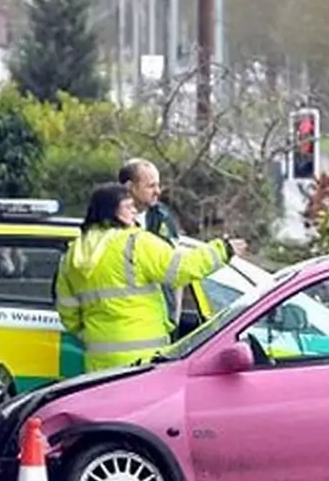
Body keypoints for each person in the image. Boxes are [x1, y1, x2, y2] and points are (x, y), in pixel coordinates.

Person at [55, 182, 248, 373]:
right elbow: (182, 268)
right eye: (128, 207)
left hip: (99, 361)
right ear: (112, 212)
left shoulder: (74, 254)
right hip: (142, 361)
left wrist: (97, 333)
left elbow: (68, 313)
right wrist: (223, 250)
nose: (134, 212)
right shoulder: (135, 243)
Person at [119, 158, 186, 326]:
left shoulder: (163, 217)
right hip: (124, 317)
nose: (157, 191)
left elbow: (178, 269)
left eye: (158, 185)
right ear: (130, 187)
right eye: (151, 186)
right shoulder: (108, 219)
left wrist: (174, 316)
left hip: (159, 319)